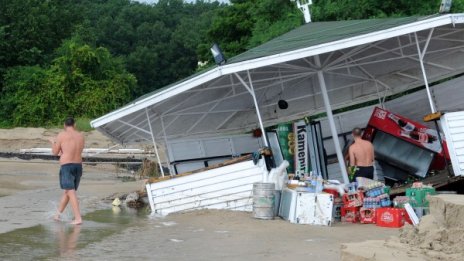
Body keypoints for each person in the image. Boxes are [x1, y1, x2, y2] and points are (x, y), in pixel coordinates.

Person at [49, 117, 85, 225]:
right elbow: (77, 150)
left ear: (64, 125)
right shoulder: (81, 136)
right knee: (68, 191)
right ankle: (57, 215)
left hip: (67, 166)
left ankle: (78, 218)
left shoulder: (61, 135)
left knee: (70, 191)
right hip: (78, 165)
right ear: (75, 125)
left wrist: (53, 142)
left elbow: (55, 152)